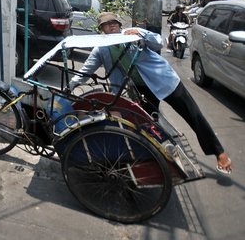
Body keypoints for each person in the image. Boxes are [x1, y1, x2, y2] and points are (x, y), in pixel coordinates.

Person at [69, 12, 232, 174]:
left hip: (165, 81)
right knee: (145, 123)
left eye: (114, 22)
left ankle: (219, 152)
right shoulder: (102, 50)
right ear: (101, 29)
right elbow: (85, 71)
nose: (112, 25)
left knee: (193, 114)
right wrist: (70, 86)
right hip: (142, 89)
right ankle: (157, 157)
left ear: (119, 25)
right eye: (107, 24)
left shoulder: (132, 34)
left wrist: (142, 34)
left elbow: (158, 42)